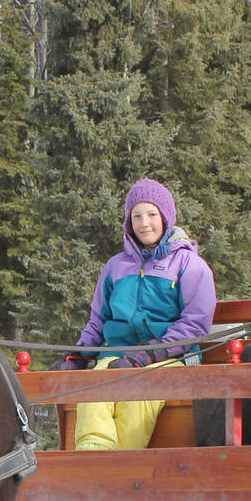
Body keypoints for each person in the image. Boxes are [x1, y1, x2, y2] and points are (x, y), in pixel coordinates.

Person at [59, 177, 216, 451]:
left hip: (170, 358)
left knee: (140, 388)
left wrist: (148, 354)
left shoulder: (188, 264)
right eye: (137, 216)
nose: (144, 223)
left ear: (166, 218)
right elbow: (98, 320)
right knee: (96, 380)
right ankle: (92, 458)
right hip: (116, 356)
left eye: (152, 214)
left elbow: (196, 323)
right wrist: (78, 356)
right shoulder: (115, 267)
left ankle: (122, 465)